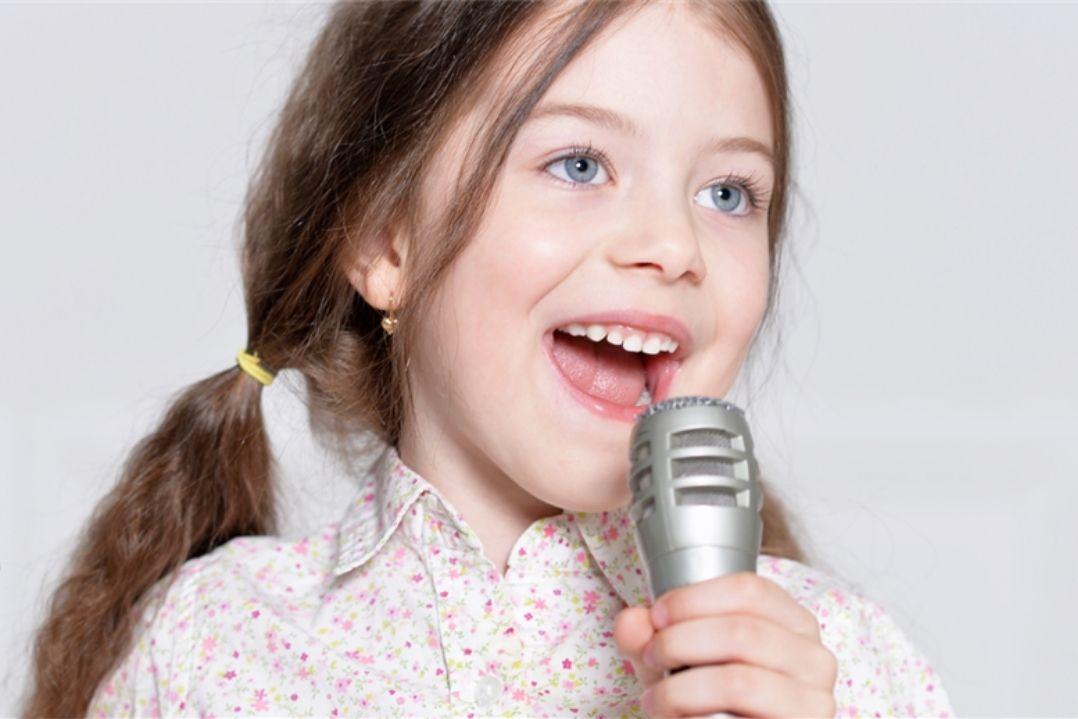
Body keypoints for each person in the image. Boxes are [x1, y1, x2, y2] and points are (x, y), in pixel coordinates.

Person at [23, 0, 955, 717]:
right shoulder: (213, 648)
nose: (674, 244)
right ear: (388, 240)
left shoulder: (844, 669)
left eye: (727, 190)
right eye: (580, 165)